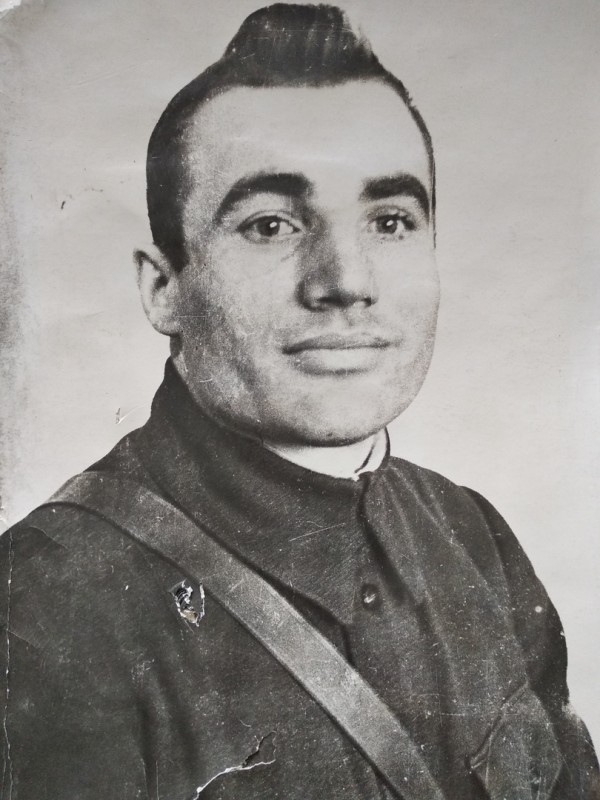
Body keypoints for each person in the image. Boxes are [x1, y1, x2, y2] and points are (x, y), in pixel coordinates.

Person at [0, 4, 597, 799]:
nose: (345, 281)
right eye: (272, 224)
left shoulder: (472, 534)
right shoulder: (45, 603)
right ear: (164, 288)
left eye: (390, 220)